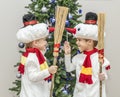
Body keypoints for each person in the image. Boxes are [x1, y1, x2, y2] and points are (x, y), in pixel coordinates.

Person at [64, 23, 110, 97]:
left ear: (89, 42)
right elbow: (69, 68)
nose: (77, 42)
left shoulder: (99, 58)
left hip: (95, 93)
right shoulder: (78, 58)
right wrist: (67, 54)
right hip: (80, 94)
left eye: (79, 40)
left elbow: (104, 75)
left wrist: (103, 76)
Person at [16, 14, 57, 97]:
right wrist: (48, 71)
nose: (46, 42)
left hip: (38, 91)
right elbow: (33, 77)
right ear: (36, 43)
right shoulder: (31, 58)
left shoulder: (36, 54)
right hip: (32, 93)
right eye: (44, 40)